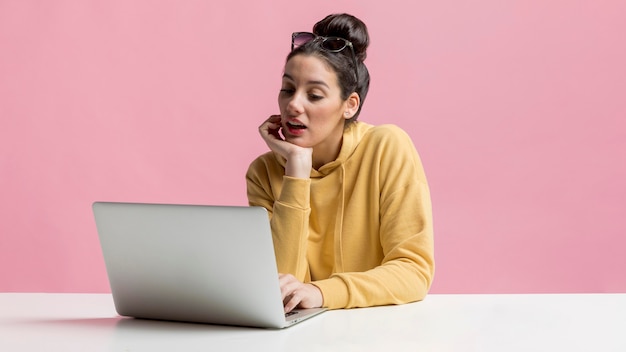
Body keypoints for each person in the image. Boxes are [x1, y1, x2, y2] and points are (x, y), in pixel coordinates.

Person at [246, 13, 434, 313]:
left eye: (315, 95)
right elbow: (280, 287)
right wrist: (296, 171)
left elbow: (413, 272)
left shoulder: (386, 147)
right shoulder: (264, 172)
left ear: (350, 105)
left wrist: (321, 292)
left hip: (378, 330)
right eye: (287, 89)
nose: (293, 105)